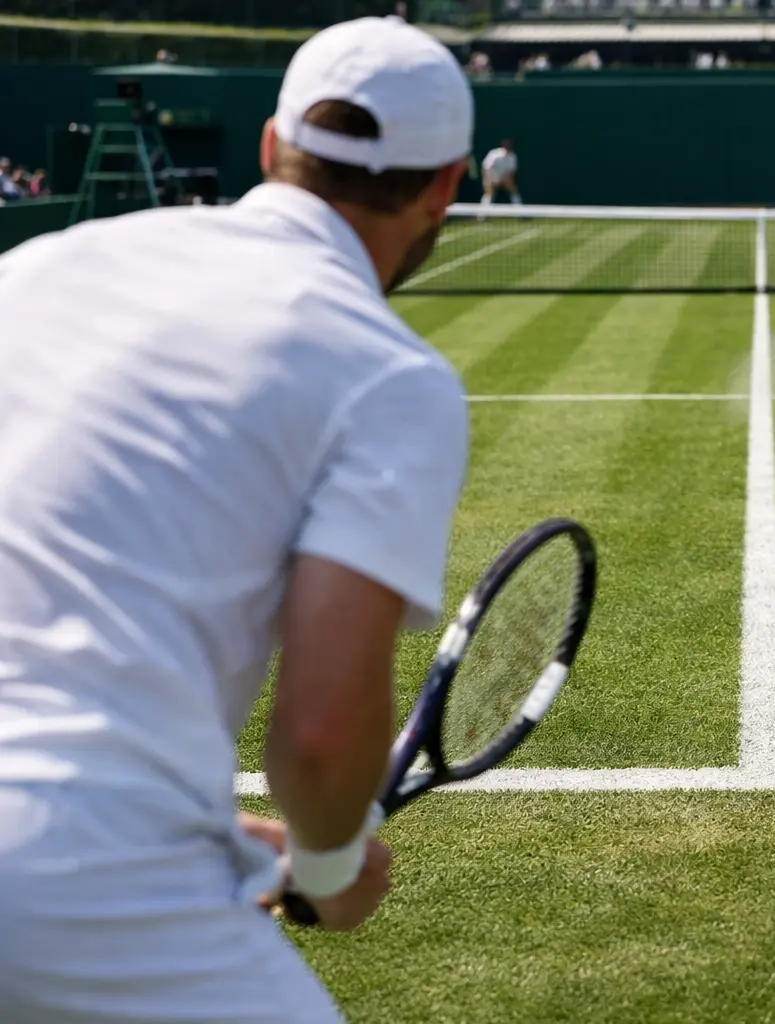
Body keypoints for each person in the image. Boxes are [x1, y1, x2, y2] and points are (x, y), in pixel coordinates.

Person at [0, 16, 472, 1022]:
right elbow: (317, 728)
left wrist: (199, 820)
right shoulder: (391, 380)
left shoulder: (38, 268)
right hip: (66, 872)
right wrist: (334, 865)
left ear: (269, 145)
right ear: (447, 185)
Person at [480, 137, 521, 211]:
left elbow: (511, 173)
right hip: (491, 178)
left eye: (509, 144)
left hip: (504, 179)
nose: (507, 146)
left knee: (513, 190)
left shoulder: (513, 157)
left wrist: (506, 181)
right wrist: (487, 180)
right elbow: (485, 168)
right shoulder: (494, 154)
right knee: (488, 193)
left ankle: (520, 212)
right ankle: (482, 214)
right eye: (506, 144)